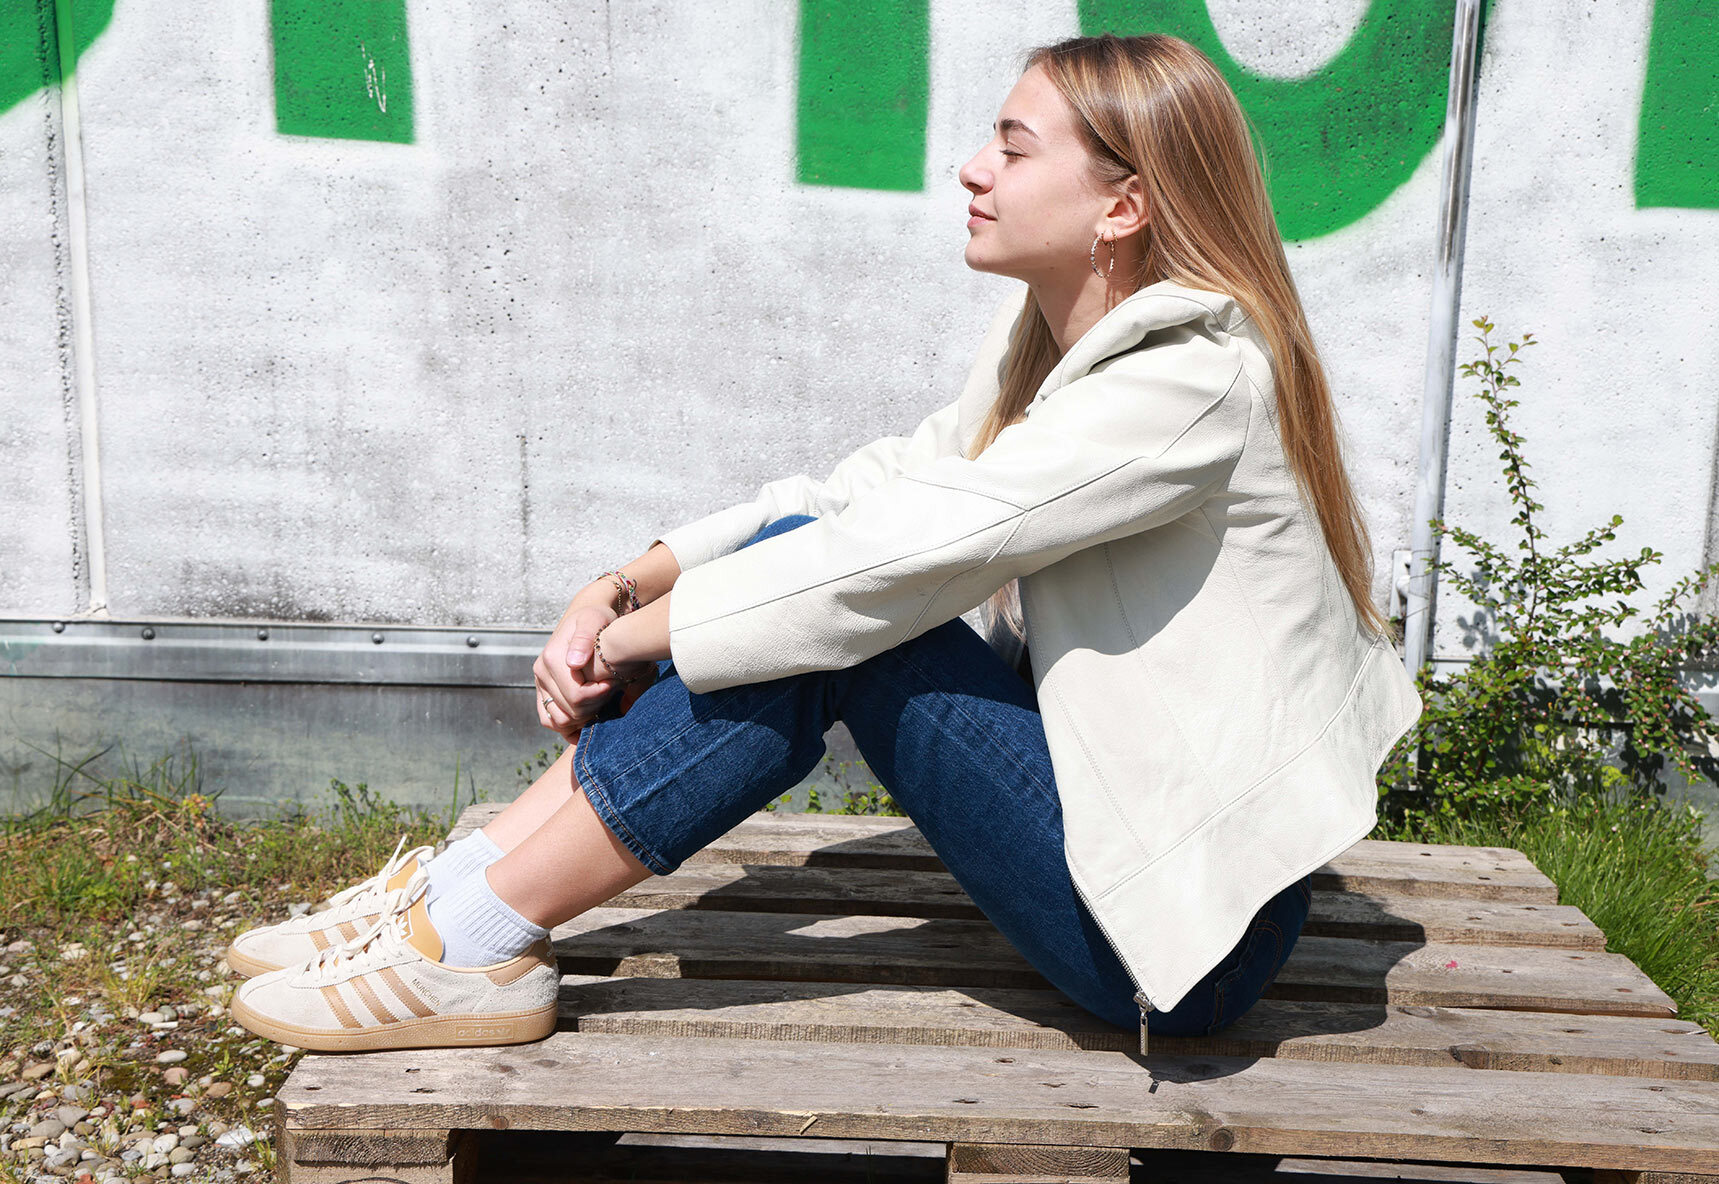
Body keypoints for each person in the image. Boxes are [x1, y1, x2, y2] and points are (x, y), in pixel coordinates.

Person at [223, 32, 1421, 1053]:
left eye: (1013, 148)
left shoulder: (1191, 385)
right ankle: (456, 896)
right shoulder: (1056, 350)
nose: (972, 167)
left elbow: (893, 562)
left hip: (1185, 945)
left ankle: (470, 938)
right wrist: (623, 586)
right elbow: (862, 496)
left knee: (844, 623)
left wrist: (642, 641)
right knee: (810, 571)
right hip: (1128, 859)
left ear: (1123, 205)